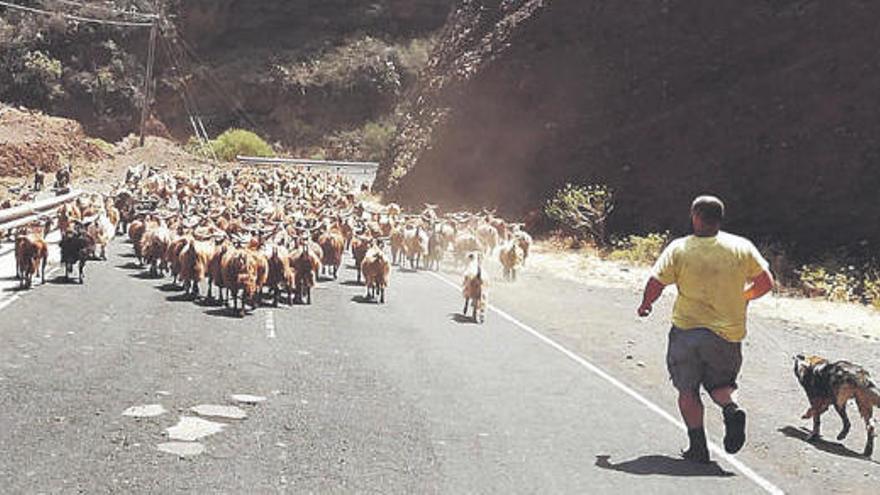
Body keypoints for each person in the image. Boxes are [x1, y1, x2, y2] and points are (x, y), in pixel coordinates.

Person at [637, 195, 774, 463]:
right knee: (720, 384)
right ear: (720, 218)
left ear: (695, 216)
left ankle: (698, 447)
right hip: (727, 335)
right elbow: (766, 282)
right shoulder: (741, 247)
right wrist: (743, 297)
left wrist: (645, 304)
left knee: (687, 390)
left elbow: (656, 282)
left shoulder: (680, 248)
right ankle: (730, 409)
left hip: (687, 331)